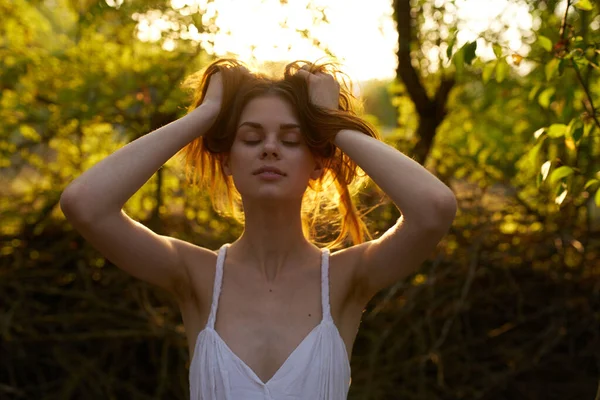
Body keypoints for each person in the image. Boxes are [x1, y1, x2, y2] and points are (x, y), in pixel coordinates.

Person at [59, 58, 457, 399]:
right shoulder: (195, 277)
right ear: (228, 159)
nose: (270, 148)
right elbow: (85, 205)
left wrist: (331, 124)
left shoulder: (345, 279)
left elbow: (434, 208)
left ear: (318, 163)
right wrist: (205, 115)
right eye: (251, 138)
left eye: (291, 139)